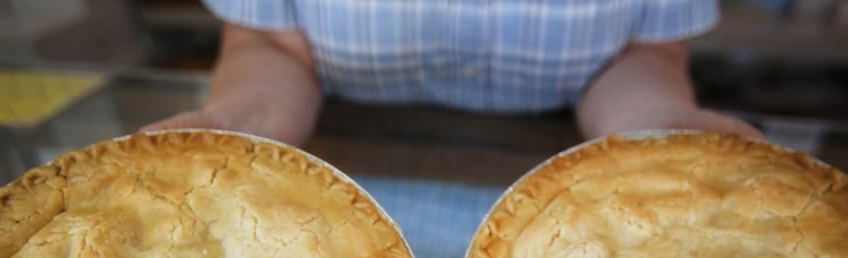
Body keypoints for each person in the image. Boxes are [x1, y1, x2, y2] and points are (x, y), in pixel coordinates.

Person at [143, 1, 762, 145]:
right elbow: (271, 47)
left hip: (559, 159)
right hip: (348, 158)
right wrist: (235, 129)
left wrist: (662, 134)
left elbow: (647, 55)